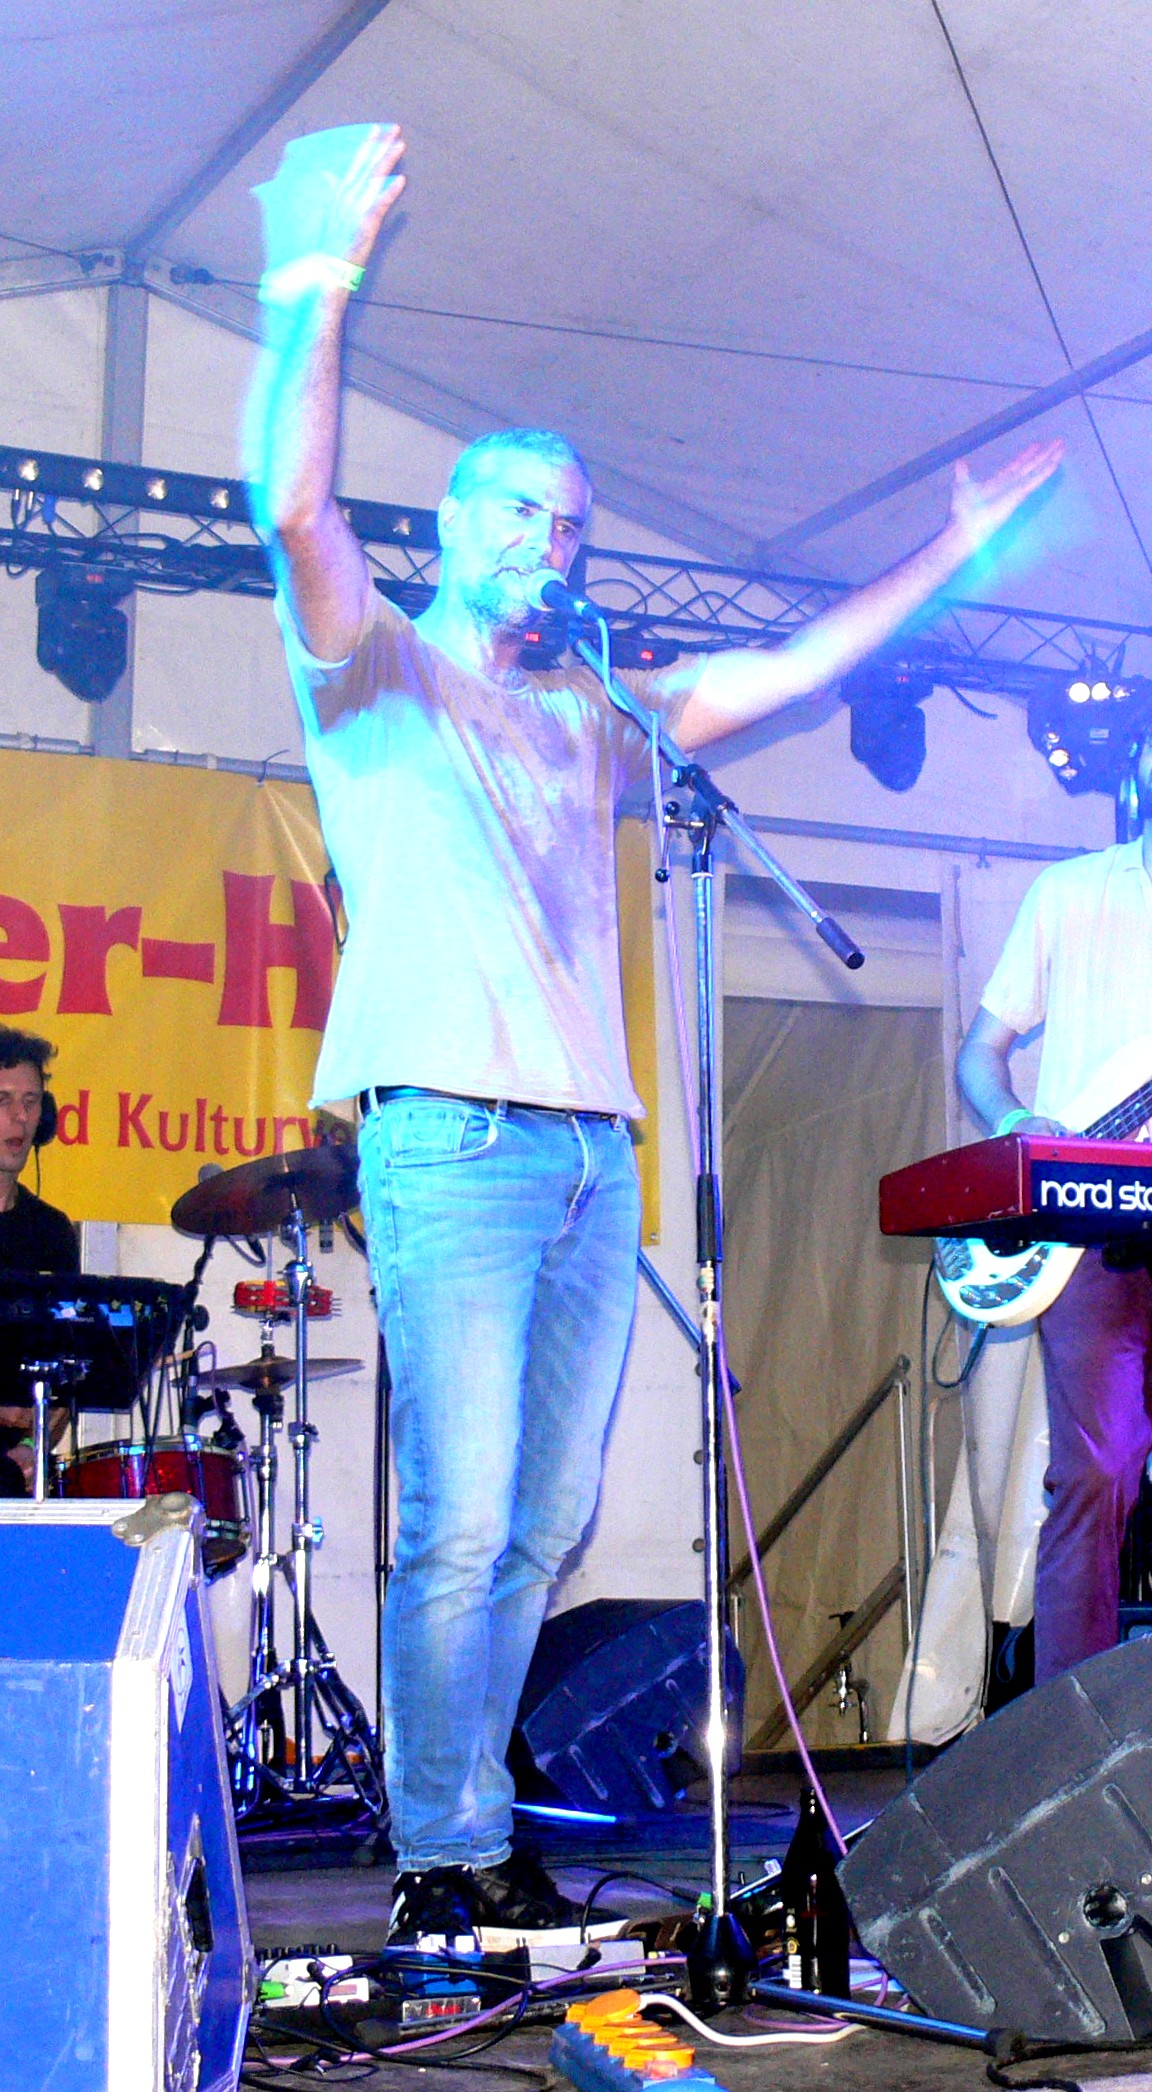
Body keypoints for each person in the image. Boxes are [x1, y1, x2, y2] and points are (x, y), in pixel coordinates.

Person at [249, 120, 1063, 1945]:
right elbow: (294, 512)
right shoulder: (375, 666)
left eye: (570, 524)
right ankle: (440, 1849)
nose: (547, 543)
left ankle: (474, 1832)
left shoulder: (595, 715)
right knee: (461, 1522)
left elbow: (797, 671)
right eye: (515, 513)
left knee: (541, 1526)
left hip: (584, 1153)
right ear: (449, 529)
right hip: (447, 1136)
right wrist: (316, 287)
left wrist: (945, 552)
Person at [957, 739, 1152, 1690]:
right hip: (1088, 1233)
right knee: (1091, 1474)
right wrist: (1013, 1124)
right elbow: (979, 1052)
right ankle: (1073, 1733)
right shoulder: (1071, 893)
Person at [0, 1026, 79, 1495]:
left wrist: (33, 1446)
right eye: (4, 1100)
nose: (20, 1117)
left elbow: (67, 1370)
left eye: (31, 1102)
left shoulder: (51, 1232)